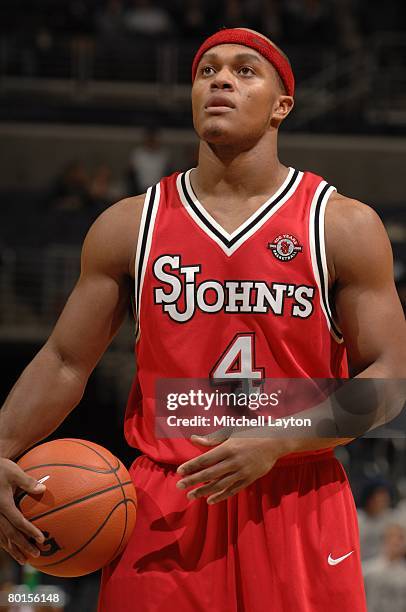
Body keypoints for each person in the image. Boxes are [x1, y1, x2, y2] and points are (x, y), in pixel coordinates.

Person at [0, 27, 405, 612]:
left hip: (296, 490)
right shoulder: (129, 224)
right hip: (168, 499)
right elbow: (65, 360)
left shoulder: (340, 225)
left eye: (245, 71)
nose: (220, 79)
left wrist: (278, 437)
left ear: (281, 107)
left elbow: (388, 377)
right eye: (206, 70)